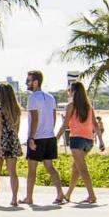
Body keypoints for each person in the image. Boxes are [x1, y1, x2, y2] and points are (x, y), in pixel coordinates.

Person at [55, 81, 106, 203]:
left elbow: (65, 125)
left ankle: (91, 195)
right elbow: (95, 125)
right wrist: (100, 140)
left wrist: (55, 138)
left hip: (77, 140)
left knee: (82, 169)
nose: (68, 93)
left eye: (69, 90)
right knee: (76, 168)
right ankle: (68, 194)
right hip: (88, 140)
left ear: (73, 92)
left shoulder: (71, 105)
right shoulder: (88, 106)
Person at [23, 70, 66, 205]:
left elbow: (34, 120)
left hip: (38, 138)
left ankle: (29, 197)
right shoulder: (51, 97)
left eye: (28, 81)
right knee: (50, 167)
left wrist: (31, 138)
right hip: (50, 136)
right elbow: (53, 118)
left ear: (36, 82)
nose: (26, 83)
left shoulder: (33, 98)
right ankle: (60, 193)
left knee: (32, 170)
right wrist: (49, 131)